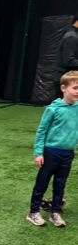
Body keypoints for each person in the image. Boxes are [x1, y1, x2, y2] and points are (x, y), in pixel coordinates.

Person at [26, 71, 78, 228]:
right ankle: (33, 212)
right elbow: (41, 131)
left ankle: (55, 213)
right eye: (75, 88)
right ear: (63, 88)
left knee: (60, 185)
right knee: (41, 184)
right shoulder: (52, 109)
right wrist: (38, 153)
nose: (77, 92)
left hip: (68, 155)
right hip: (50, 154)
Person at [53, 14, 78, 99]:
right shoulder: (71, 37)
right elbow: (69, 61)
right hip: (66, 79)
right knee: (63, 106)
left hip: (69, 79)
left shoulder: (72, 34)